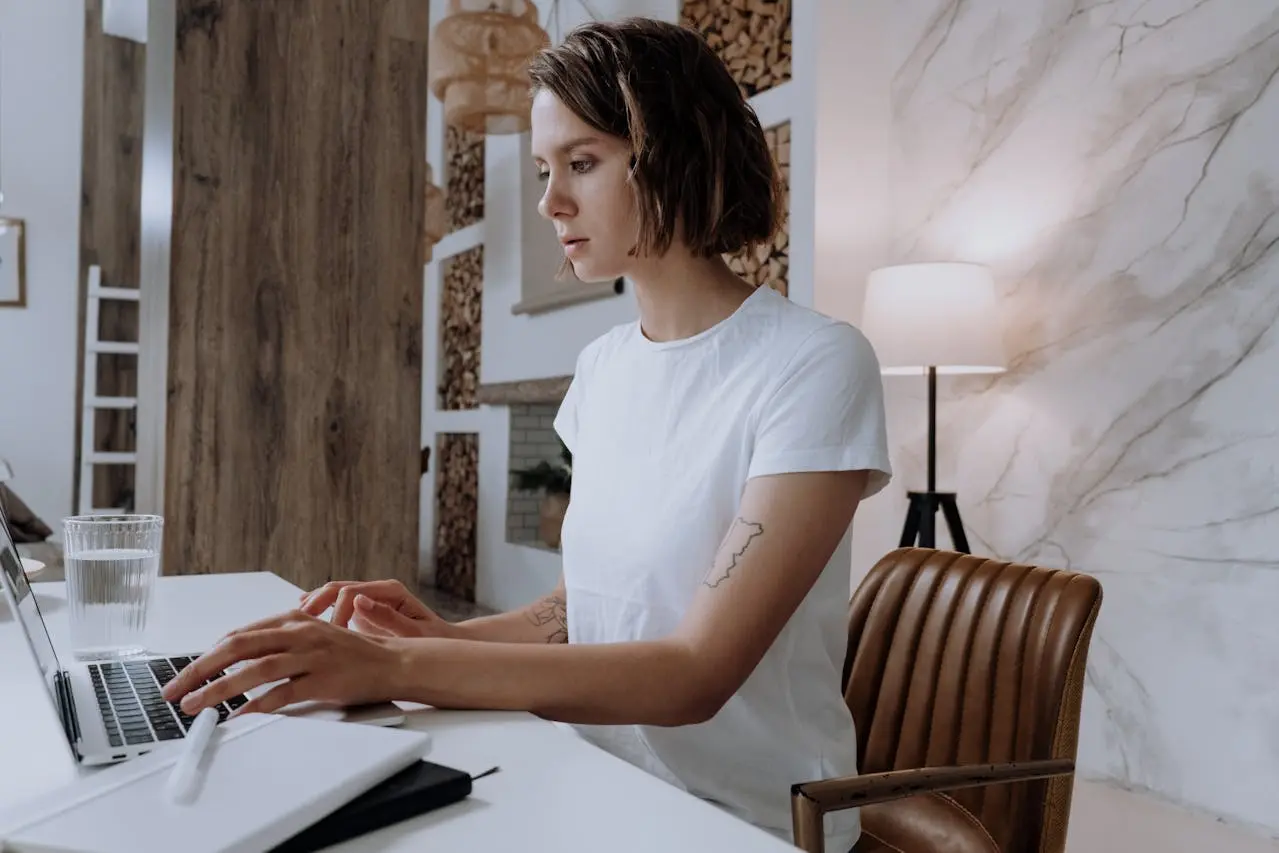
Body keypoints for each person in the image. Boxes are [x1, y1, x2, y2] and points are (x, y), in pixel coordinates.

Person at [161, 16, 891, 851]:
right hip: (584, 773)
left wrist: (400, 669)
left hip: (742, 818)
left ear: (679, 152)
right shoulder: (604, 368)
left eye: (582, 163)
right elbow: (588, 603)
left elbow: (695, 672)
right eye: (546, 169)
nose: (549, 201)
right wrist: (428, 638)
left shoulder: (814, 364)